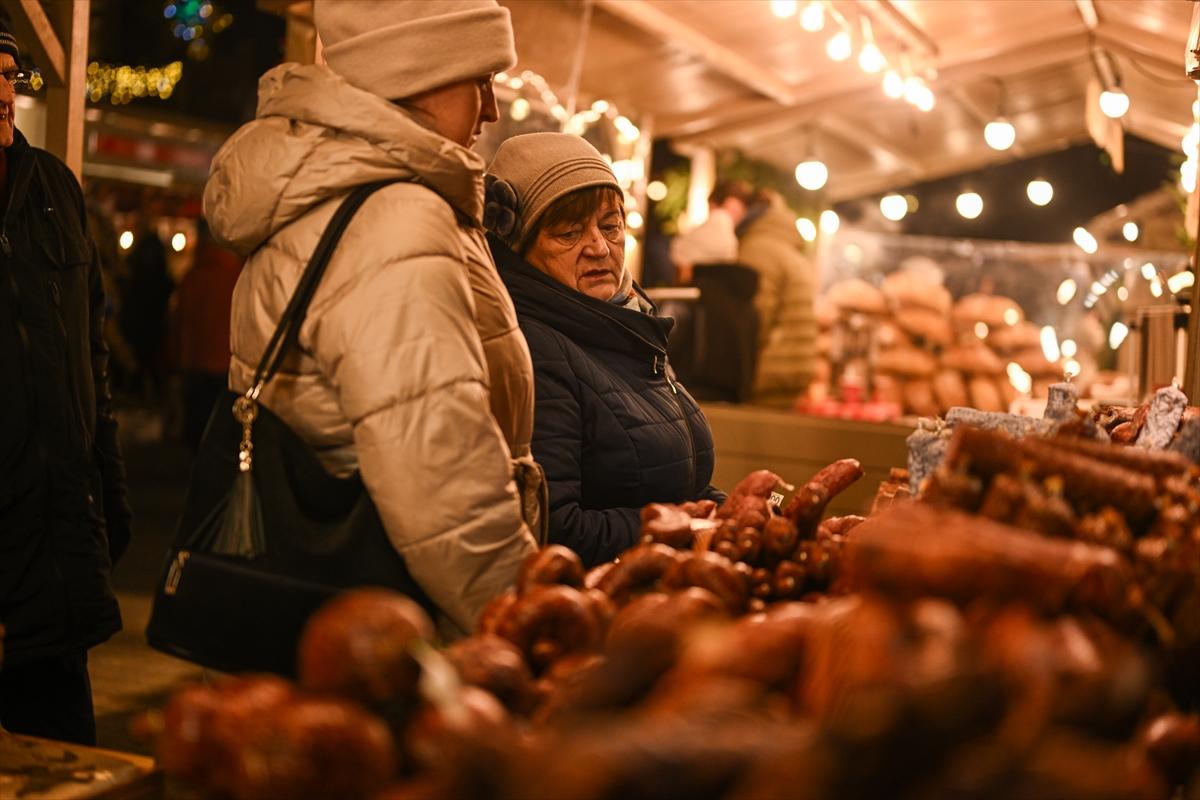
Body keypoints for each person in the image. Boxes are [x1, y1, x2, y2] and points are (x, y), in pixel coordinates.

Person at [202, 0, 541, 638]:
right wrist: (527, 628)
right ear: (418, 73)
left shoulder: (343, 190)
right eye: (482, 80)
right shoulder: (394, 215)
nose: (491, 110)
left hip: (329, 619)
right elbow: (444, 488)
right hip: (390, 632)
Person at [485, 133, 723, 568]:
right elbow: (554, 529)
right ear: (520, 249)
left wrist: (731, 511)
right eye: (569, 232)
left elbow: (672, 481)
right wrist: (683, 527)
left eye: (610, 226)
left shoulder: (628, 324)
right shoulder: (535, 349)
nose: (598, 247)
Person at [0, 27, 132, 745]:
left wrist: (109, 488)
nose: (1, 91)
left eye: (10, 73)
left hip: (54, 542)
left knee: (63, 758)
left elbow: (90, 349)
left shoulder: (52, 185)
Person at [736, 189, 818, 407]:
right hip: (792, 368)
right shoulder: (787, 247)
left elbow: (757, 316)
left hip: (768, 372)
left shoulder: (758, 248)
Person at [173, 218, 242, 451]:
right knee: (224, 432)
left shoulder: (192, 277)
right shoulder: (236, 275)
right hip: (227, 362)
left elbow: (181, 321)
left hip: (197, 362)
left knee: (199, 431)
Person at [669, 178, 753, 285]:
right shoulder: (729, 241)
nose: (728, 219)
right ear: (712, 205)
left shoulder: (684, 241)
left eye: (735, 214)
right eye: (730, 212)